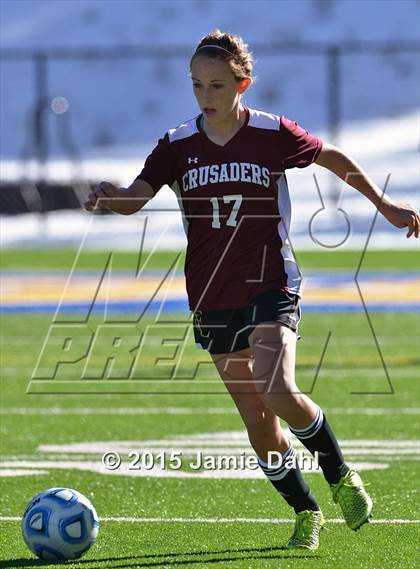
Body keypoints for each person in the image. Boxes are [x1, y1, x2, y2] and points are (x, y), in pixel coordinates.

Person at [84, 30, 420, 550]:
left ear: (243, 83)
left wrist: (386, 206)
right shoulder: (177, 145)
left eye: (216, 85)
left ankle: (340, 476)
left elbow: (331, 157)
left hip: (271, 280)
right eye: (197, 85)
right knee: (259, 423)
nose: (205, 95)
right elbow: (138, 196)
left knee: (276, 387)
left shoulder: (271, 133)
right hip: (211, 293)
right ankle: (306, 512)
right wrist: (112, 197)